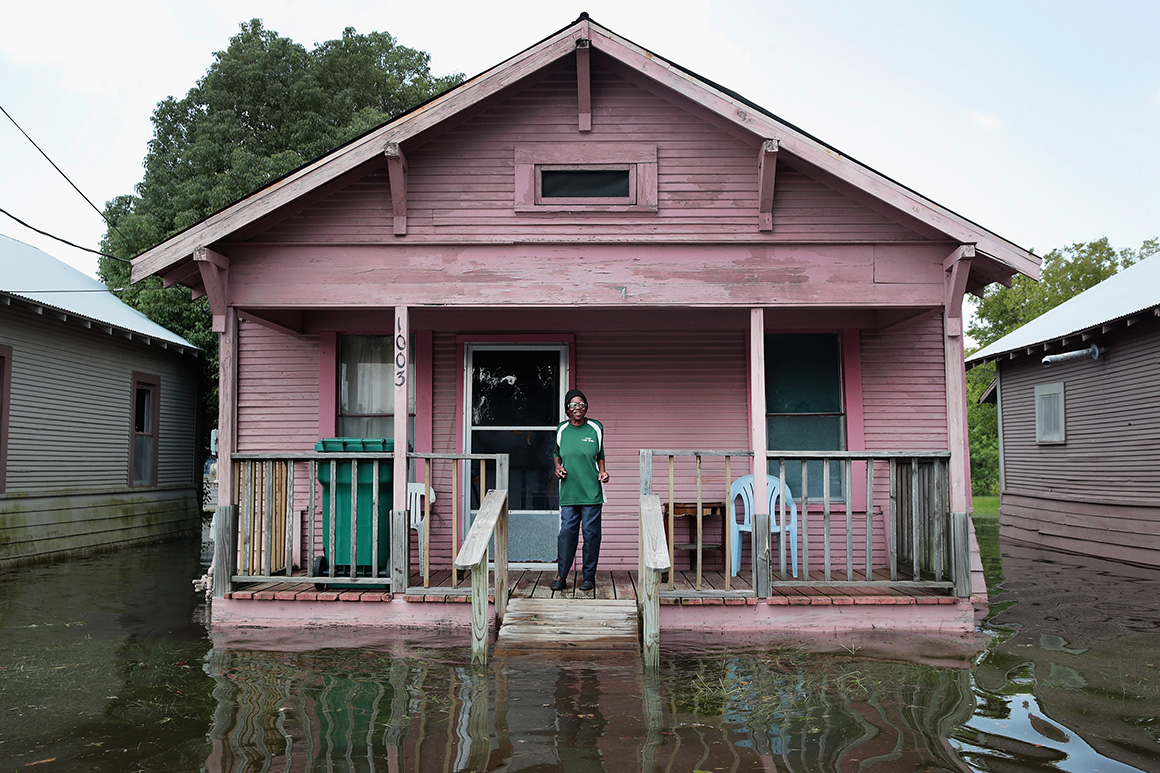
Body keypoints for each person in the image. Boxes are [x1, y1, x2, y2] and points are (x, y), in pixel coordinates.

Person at [551, 389, 609, 593]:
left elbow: (600, 454)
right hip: (569, 492)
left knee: (591, 534)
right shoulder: (562, 429)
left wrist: (603, 472)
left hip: (591, 492)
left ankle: (589, 577)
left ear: (586, 408)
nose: (578, 408)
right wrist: (558, 468)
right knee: (567, 533)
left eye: (581, 404)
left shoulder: (595, 427)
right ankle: (561, 576)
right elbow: (556, 453)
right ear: (568, 409)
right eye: (574, 405)